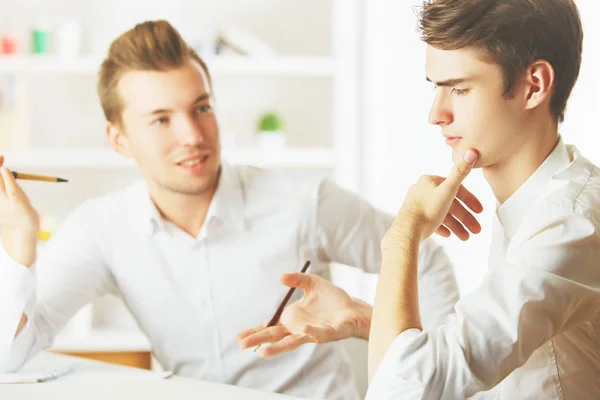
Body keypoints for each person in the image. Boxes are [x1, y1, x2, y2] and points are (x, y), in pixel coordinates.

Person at [0, 20, 460, 400]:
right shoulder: (101, 230)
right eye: (161, 119)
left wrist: (433, 381)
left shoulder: (303, 201)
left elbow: (426, 260)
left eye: (201, 108)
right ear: (119, 139)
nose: (192, 135)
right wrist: (20, 251)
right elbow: (8, 356)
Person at [366, 0, 600, 399]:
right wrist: (363, 322)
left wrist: (403, 234)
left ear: (534, 85)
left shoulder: (568, 222)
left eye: (459, 88)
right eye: (436, 88)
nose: (436, 114)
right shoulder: (535, 201)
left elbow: (399, 390)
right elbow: (489, 348)